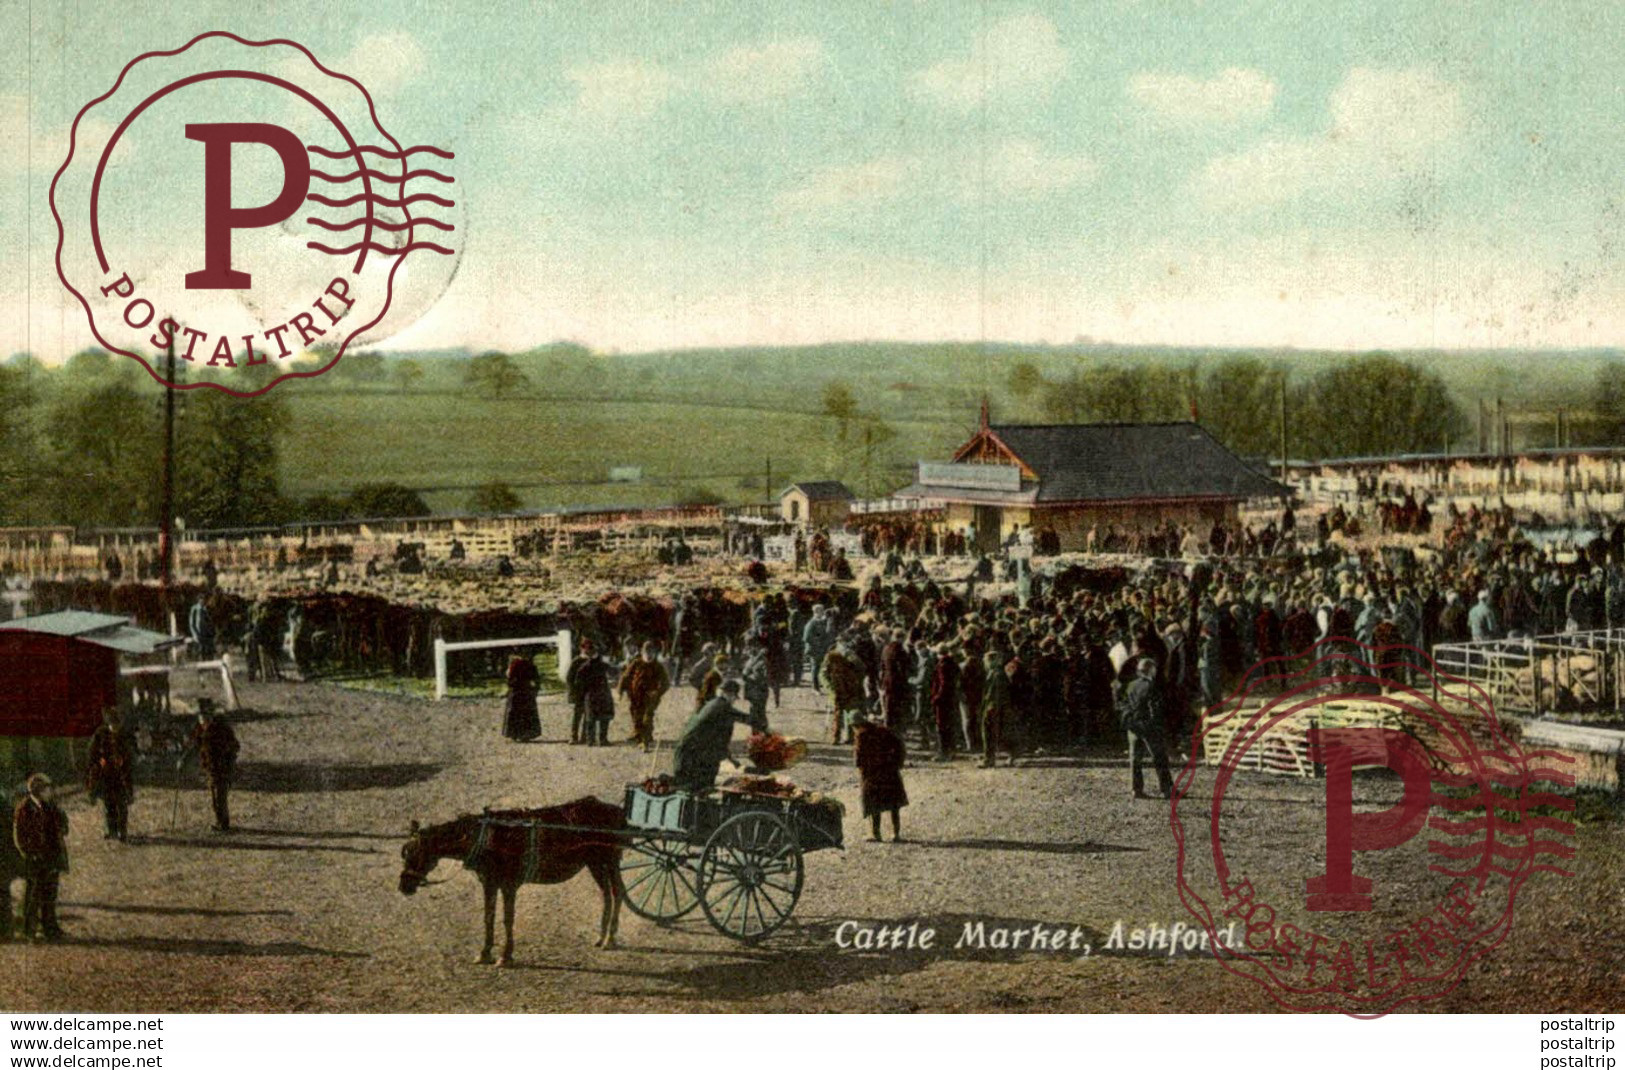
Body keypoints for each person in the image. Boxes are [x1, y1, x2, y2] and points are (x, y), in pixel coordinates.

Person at [670, 680, 765, 792]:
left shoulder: (714, 704)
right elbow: (744, 718)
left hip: (691, 751)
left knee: (699, 785)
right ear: (728, 694)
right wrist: (765, 728)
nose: (734, 701)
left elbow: (719, 740)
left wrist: (731, 759)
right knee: (693, 787)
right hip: (690, 754)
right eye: (734, 697)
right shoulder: (721, 706)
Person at [13, 773, 68, 941]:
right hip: (35, 859)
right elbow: (19, 836)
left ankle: (50, 927)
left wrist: (62, 820)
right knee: (33, 896)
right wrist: (29, 853)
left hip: (51, 856)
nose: (50, 792)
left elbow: (63, 827)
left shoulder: (51, 806)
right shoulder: (24, 808)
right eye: (47, 789)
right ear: (38, 791)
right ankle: (29, 930)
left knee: (50, 894)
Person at [1118, 657, 1173, 800]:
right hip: (1148, 726)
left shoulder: (1130, 685)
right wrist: (1158, 725)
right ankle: (1166, 789)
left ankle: (1136, 789)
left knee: (1135, 759)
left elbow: (1123, 704)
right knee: (1159, 757)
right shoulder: (1151, 686)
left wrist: (1130, 721)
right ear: (1151, 670)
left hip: (1133, 726)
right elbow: (1155, 709)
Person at [854, 712, 908, 842]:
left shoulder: (861, 736)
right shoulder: (884, 731)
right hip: (890, 772)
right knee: (894, 804)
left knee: (873, 805)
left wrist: (862, 772)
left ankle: (876, 834)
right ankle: (896, 834)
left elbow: (858, 759)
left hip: (872, 775)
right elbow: (900, 746)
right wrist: (898, 763)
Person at [85, 707, 135, 841]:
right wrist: (99, 761)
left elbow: (130, 754)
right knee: (109, 804)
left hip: (120, 776)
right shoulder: (100, 734)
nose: (115, 728)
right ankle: (112, 830)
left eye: (117, 725)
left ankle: (122, 831)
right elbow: (91, 754)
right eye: (113, 725)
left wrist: (123, 759)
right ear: (108, 724)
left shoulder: (124, 735)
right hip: (105, 776)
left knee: (122, 804)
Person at [191, 701, 241, 831]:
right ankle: (220, 822)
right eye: (200, 720)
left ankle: (224, 824)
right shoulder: (201, 729)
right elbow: (194, 746)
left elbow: (235, 746)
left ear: (210, 717)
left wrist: (226, 757)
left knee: (220, 798)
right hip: (211, 769)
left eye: (204, 719)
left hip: (223, 769)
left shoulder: (221, 730)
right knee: (215, 798)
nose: (202, 723)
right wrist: (182, 760)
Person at [618, 641, 670, 752]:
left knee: (647, 718)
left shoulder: (658, 666)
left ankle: (645, 742)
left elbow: (666, 683)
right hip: (635, 696)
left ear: (655, 653)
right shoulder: (636, 663)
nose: (649, 655)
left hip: (650, 698)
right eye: (646, 652)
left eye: (651, 652)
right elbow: (625, 677)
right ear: (642, 653)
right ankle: (638, 735)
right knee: (636, 716)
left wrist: (657, 692)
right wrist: (620, 691)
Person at [566, 639, 616, 745]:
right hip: (580, 692)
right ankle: (574, 736)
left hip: (592, 692)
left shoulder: (598, 660)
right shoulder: (577, 661)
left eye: (591, 649)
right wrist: (573, 692)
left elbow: (605, 671)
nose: (588, 651)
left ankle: (586, 737)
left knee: (590, 715)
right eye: (586, 649)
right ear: (582, 649)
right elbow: (569, 678)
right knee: (578, 715)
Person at [822, 643, 868, 744]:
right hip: (850, 688)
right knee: (850, 711)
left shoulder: (831, 659)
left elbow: (824, 674)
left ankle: (836, 737)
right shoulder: (852, 657)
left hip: (838, 688)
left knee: (838, 714)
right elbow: (862, 670)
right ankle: (851, 736)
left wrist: (830, 688)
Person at [501, 654, 542, 742]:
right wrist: (535, 690)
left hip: (516, 693)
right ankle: (526, 734)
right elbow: (537, 680)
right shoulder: (530, 665)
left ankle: (514, 734)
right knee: (527, 714)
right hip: (527, 692)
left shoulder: (514, 665)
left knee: (515, 714)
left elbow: (510, 680)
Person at [803, 605, 834, 691]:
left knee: (822, 667)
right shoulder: (811, 623)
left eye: (822, 610)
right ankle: (815, 687)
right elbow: (806, 637)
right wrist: (818, 642)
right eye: (820, 611)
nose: (822, 612)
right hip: (814, 649)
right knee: (815, 668)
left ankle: (820, 685)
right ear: (815, 612)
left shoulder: (822, 622)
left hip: (821, 649)